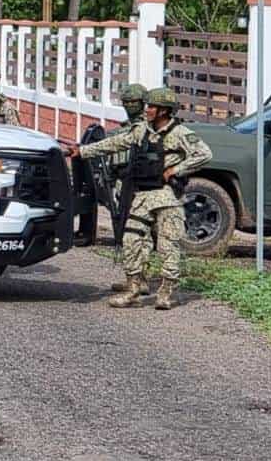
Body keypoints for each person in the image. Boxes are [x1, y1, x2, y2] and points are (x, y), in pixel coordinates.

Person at [72, 87, 211, 310]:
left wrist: (177, 169)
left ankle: (166, 292)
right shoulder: (141, 131)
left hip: (166, 198)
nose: (148, 110)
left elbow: (204, 154)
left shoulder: (180, 133)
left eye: (153, 107)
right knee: (131, 240)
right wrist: (83, 151)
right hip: (143, 197)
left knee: (168, 245)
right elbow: (115, 143)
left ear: (165, 111)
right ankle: (134, 289)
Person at [101, 83, 151, 294]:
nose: (130, 106)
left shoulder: (149, 128)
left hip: (142, 185)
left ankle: (142, 279)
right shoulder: (122, 129)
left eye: (134, 102)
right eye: (127, 102)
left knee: (140, 232)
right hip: (122, 183)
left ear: (143, 103)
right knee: (124, 229)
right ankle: (132, 277)